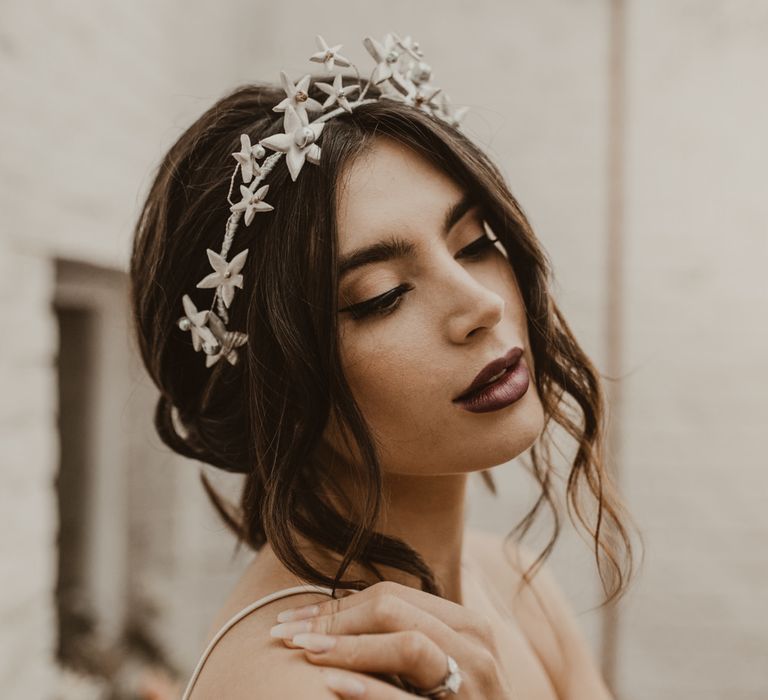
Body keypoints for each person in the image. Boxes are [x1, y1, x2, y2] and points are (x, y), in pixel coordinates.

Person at [129, 32, 639, 699]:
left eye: (474, 243)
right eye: (381, 296)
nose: (480, 303)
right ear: (274, 379)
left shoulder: (520, 588)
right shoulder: (308, 682)